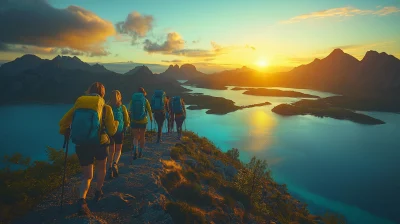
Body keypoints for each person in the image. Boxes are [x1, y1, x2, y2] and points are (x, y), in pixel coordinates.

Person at [59, 82, 119, 216]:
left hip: (82, 144)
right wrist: (117, 123)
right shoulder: (106, 108)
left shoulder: (79, 105)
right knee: (101, 168)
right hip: (100, 144)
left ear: (89, 91)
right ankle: (98, 191)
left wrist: (65, 130)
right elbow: (112, 131)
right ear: (103, 94)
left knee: (87, 176)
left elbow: (63, 123)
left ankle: (82, 200)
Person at [107, 90, 130, 179]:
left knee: (111, 151)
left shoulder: (107, 106)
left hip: (109, 132)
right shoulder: (122, 107)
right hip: (119, 131)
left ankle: (109, 168)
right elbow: (127, 120)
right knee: (118, 149)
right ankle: (115, 163)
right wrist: (127, 126)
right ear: (119, 97)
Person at [129, 87, 153, 159]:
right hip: (143, 121)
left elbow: (129, 110)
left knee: (135, 137)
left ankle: (135, 151)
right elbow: (149, 110)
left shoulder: (132, 100)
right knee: (142, 136)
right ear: (144, 93)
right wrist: (151, 119)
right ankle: (140, 152)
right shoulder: (145, 100)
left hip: (134, 120)